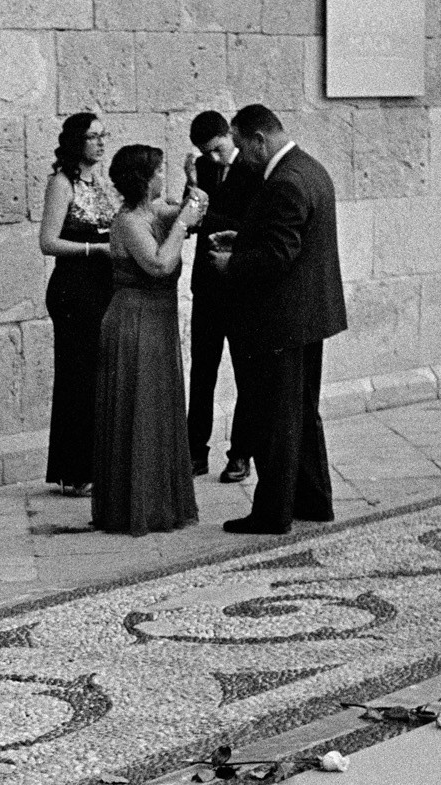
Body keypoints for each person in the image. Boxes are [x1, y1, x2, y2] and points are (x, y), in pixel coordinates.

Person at [207, 105, 348, 537]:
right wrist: (245, 238)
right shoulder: (310, 167)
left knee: (278, 418)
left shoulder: (285, 181)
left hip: (285, 319)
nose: (240, 156)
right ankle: (314, 501)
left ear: (258, 140)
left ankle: (272, 514)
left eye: (242, 145)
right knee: (304, 413)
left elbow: (279, 255)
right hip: (311, 316)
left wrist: (232, 263)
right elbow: (288, 239)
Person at [91, 144, 209, 536]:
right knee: (138, 409)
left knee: (157, 407)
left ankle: (158, 504)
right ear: (143, 180)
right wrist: (182, 224)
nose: (163, 178)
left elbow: (196, 209)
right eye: (159, 172)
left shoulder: (152, 211)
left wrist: (194, 183)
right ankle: (134, 508)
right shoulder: (127, 222)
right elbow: (159, 264)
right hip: (134, 321)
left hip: (156, 321)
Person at [39, 111, 119, 496]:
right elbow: (48, 242)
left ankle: (96, 461)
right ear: (76, 141)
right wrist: (94, 249)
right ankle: (75, 469)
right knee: (77, 375)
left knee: (99, 373)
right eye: (93, 137)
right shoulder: (61, 183)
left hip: (102, 288)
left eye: (104, 136)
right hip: (73, 287)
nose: (101, 143)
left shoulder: (102, 183)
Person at [184, 110, 262, 485]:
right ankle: (195, 452)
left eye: (217, 149)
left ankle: (241, 455)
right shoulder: (201, 166)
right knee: (202, 372)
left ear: (230, 134)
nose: (213, 158)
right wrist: (191, 192)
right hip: (207, 287)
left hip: (240, 285)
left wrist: (202, 213)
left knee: (247, 375)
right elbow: (192, 216)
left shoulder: (254, 167)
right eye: (206, 152)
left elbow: (246, 223)